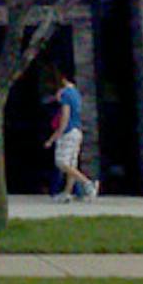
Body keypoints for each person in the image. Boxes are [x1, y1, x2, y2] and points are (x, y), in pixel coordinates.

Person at [46, 70, 98, 201]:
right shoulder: (76, 93)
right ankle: (67, 193)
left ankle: (87, 183)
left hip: (67, 132)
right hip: (77, 130)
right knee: (71, 164)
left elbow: (65, 116)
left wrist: (53, 137)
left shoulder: (66, 94)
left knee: (62, 162)